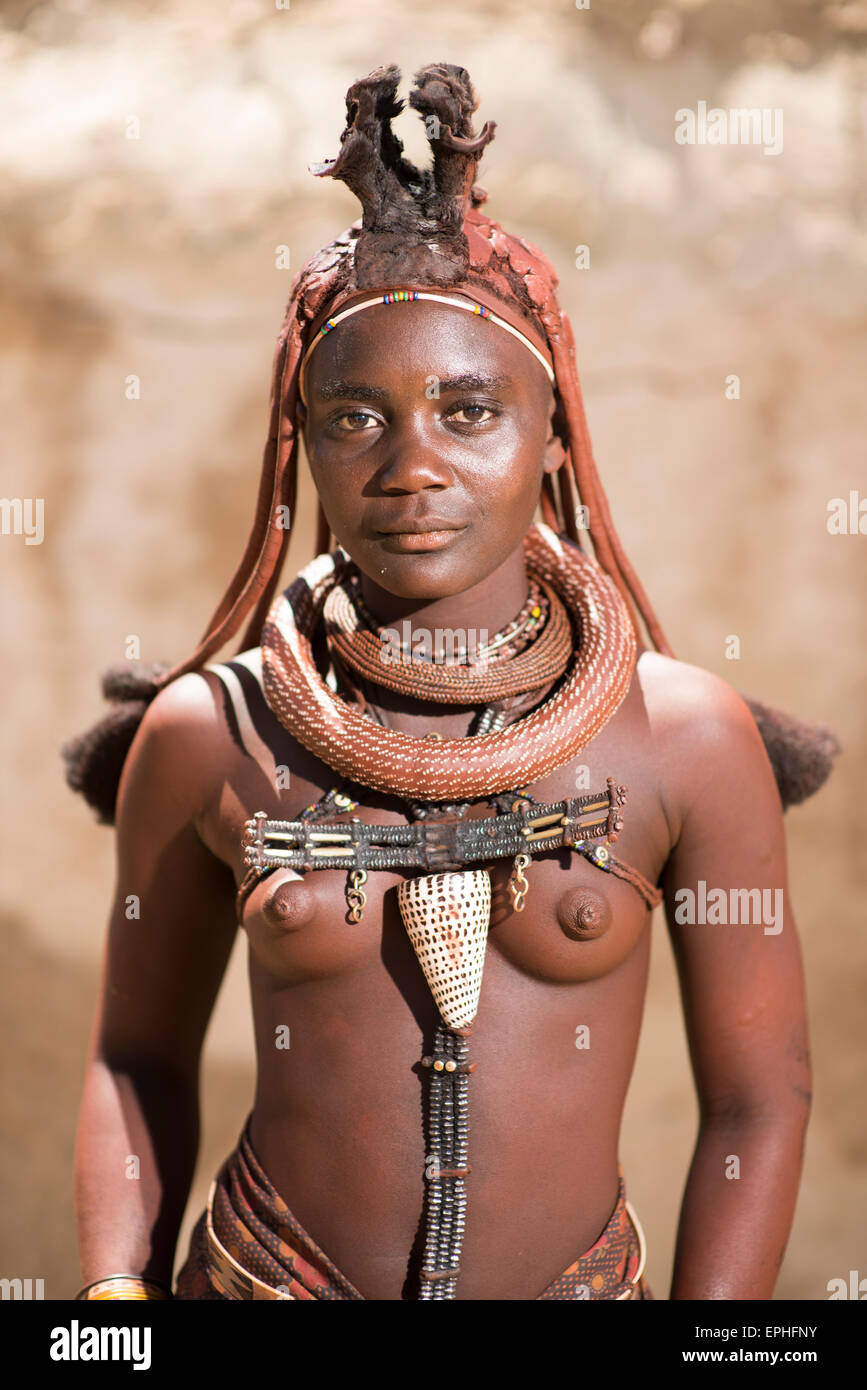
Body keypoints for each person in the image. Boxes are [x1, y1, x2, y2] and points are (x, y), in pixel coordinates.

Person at [66, 63, 835, 1302]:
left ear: (554, 435)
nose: (411, 466)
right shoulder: (216, 730)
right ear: (301, 441)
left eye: (469, 411)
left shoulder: (683, 738)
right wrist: (112, 1310)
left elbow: (761, 1096)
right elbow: (131, 1060)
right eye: (355, 419)